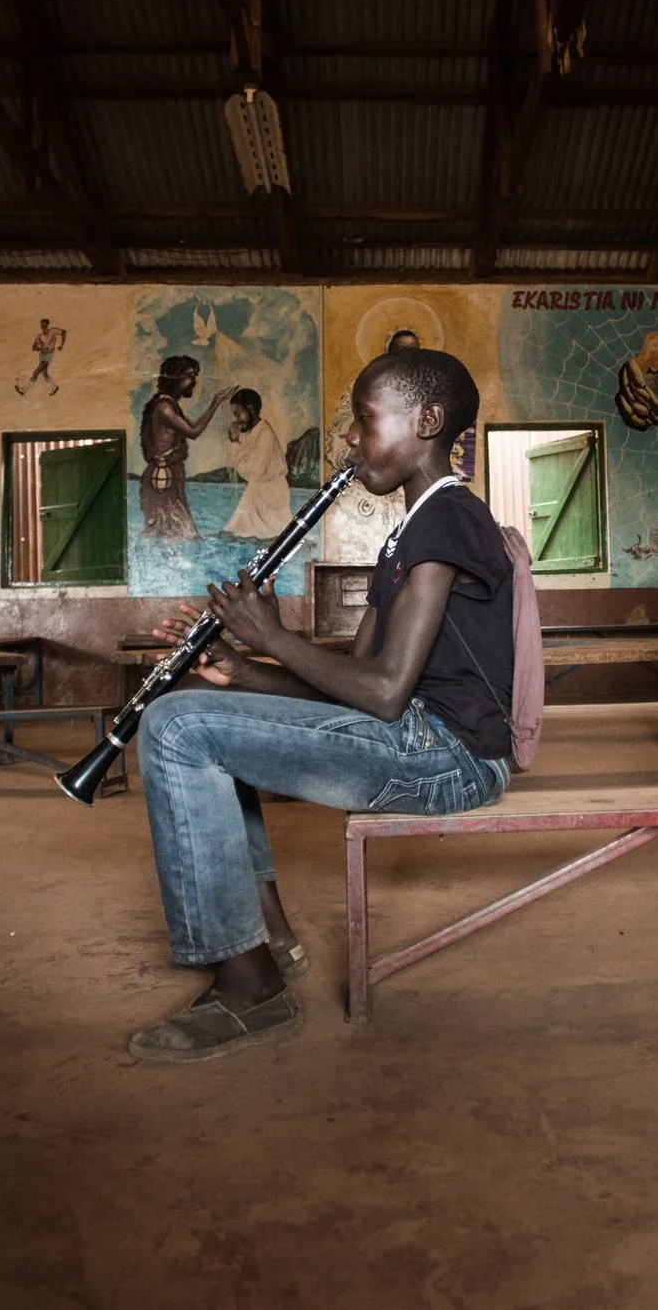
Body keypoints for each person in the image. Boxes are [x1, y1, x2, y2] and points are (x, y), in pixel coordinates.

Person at [125, 349, 515, 1063]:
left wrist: (273, 634)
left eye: (366, 422)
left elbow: (387, 690)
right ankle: (265, 933)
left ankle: (250, 987)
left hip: (452, 757)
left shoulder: (451, 517)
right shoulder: (406, 534)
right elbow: (353, 682)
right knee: (192, 713)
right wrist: (243, 669)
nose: (350, 443)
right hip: (410, 737)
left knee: (175, 727)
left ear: (427, 421)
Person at [139, 356, 229, 540]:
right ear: (175, 377)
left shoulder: (168, 405)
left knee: (170, 534)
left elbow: (192, 428)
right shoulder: (165, 408)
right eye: (189, 376)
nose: (193, 382)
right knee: (182, 535)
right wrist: (215, 403)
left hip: (169, 478)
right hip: (163, 479)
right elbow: (193, 431)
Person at [221, 388, 293, 538]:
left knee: (271, 538)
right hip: (257, 492)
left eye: (238, 414)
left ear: (251, 409)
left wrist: (234, 442)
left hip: (270, 495)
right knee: (236, 534)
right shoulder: (251, 432)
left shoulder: (264, 434)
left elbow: (252, 471)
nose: (237, 420)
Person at [29, 318, 66, 394]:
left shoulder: (52, 331)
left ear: (47, 325)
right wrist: (41, 348)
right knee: (44, 373)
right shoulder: (40, 336)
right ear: (40, 326)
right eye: (42, 325)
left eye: (45, 324)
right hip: (42, 355)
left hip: (49, 355)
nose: (43, 326)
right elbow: (33, 347)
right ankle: (54, 387)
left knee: (36, 372)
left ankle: (25, 389)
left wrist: (61, 345)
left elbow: (64, 332)